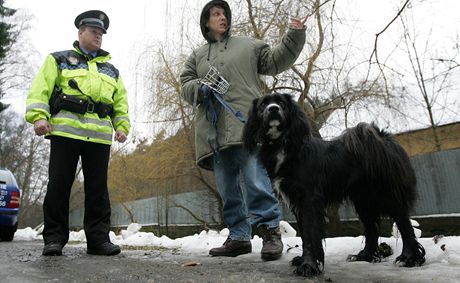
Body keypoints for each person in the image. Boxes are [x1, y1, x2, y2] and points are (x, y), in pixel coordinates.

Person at [180, 0, 306, 260]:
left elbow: (275, 61)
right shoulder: (197, 56)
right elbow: (185, 85)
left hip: (247, 127)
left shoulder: (248, 45)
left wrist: (294, 34)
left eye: (225, 13)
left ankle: (271, 233)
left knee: (257, 182)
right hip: (214, 134)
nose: (222, 17)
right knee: (228, 190)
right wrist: (199, 88)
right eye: (216, 14)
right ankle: (238, 237)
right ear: (206, 21)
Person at [25, 10, 130, 256]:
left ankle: (98, 240)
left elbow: (120, 102)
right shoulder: (58, 59)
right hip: (65, 134)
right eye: (94, 31)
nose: (99, 36)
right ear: (80, 32)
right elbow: (40, 90)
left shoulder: (111, 70)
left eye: (102, 33)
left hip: (99, 138)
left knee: (98, 190)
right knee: (59, 186)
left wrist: (122, 126)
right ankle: (53, 239)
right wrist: (39, 117)